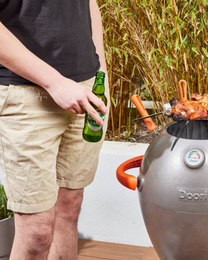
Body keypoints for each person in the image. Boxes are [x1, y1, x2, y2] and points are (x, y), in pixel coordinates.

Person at [0, 0, 109, 259]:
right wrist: (55, 82)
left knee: (68, 210)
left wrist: (101, 72)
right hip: (25, 94)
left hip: (88, 88)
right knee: (36, 231)